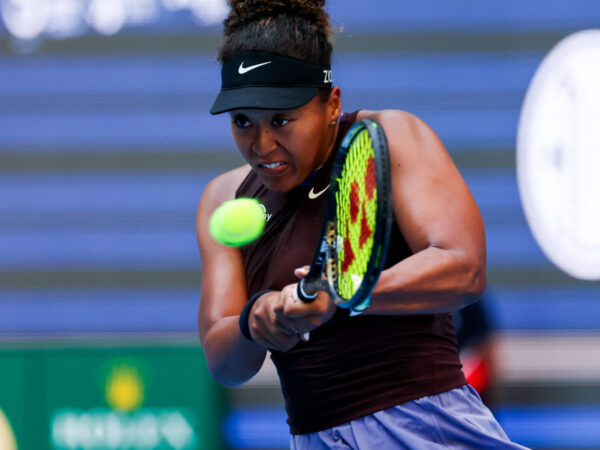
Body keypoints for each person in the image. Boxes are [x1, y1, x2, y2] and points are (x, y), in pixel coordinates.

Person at [196, 1, 527, 448]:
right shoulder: (223, 197)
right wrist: (259, 319)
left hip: (426, 428)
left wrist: (342, 292)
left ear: (331, 103)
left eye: (281, 119)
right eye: (242, 122)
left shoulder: (391, 137)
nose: (262, 144)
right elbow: (224, 362)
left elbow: (464, 269)